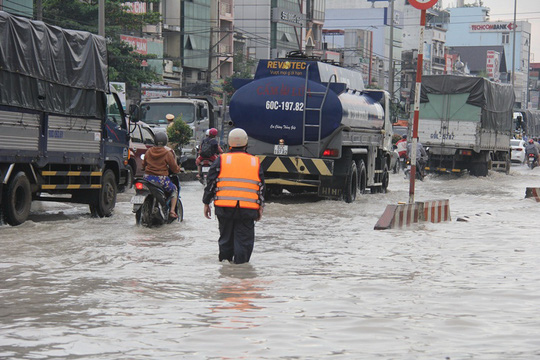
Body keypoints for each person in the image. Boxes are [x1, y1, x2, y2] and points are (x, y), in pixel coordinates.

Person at [202, 128, 265, 264]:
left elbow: (211, 182)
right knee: (244, 243)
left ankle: (225, 273)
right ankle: (241, 275)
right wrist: (260, 207)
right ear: (246, 143)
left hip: (224, 208)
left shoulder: (221, 160)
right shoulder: (255, 162)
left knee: (225, 241)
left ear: (229, 143)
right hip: (247, 209)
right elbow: (261, 188)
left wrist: (206, 202)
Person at [142, 131, 181, 218]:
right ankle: (172, 211)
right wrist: (178, 169)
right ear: (165, 141)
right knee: (174, 189)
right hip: (161, 180)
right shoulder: (168, 152)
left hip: (147, 178)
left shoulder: (148, 151)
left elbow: (143, 165)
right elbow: (174, 168)